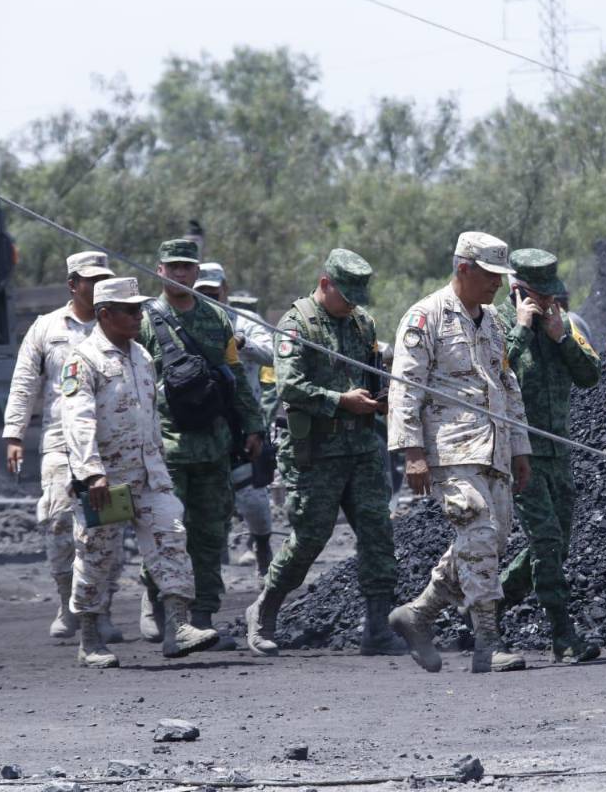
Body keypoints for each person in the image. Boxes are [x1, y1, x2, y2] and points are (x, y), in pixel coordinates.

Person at [244, 249, 406, 658]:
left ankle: (376, 627)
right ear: (324, 284)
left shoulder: (361, 323)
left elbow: (371, 372)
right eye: (345, 294)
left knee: (378, 535)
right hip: (317, 451)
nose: (351, 303)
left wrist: (381, 397)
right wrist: (340, 400)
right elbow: (290, 386)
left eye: (356, 296)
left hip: (364, 447)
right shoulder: (296, 324)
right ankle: (263, 611)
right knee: (309, 539)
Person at [386, 232, 533, 674]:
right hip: (450, 450)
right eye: (490, 276)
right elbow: (405, 388)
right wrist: (412, 452)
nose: (496, 285)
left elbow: (508, 386)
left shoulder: (492, 321)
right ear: (464, 269)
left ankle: (419, 614)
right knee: (481, 534)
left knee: (490, 537)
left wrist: (521, 448)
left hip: (496, 448)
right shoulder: (425, 316)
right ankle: (487, 642)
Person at [60, 277, 220, 667]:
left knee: (171, 538)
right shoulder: (84, 360)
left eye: (139, 309)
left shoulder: (141, 357)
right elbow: (77, 420)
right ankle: (90, 638)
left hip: (149, 475)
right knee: (99, 555)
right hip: (106, 482)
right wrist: (91, 473)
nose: (138, 316)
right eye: (130, 310)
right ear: (104, 314)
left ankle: (178, 627)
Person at [136, 240, 265, 644]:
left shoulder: (217, 319)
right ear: (160, 270)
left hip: (213, 445)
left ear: (196, 272)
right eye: (172, 267)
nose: (180, 274)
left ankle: (204, 615)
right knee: (168, 532)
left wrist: (253, 425)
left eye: (186, 267)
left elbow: (234, 376)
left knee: (211, 533)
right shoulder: (143, 319)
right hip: (165, 448)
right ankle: (155, 604)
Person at [3, 251, 122, 642]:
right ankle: (65, 602)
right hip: (59, 441)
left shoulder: (117, 324)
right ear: (73, 284)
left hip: (109, 442)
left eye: (103, 278)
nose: (97, 285)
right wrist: (15, 434)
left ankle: (100, 609)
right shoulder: (46, 327)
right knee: (57, 522)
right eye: (89, 279)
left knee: (105, 527)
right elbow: (25, 383)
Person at [493, 249, 602, 663]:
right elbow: (498, 377)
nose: (548, 302)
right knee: (547, 540)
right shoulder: (498, 326)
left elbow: (591, 375)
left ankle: (493, 603)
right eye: (540, 295)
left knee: (556, 546)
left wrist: (560, 337)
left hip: (560, 453)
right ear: (519, 291)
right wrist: (522, 330)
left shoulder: (563, 324)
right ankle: (562, 634)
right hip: (521, 454)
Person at [193, 264, 275, 576]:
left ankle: (262, 544)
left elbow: (273, 354)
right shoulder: (183, 323)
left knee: (254, 500)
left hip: (244, 424)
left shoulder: (247, 322)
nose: (210, 299)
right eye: (202, 294)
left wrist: (243, 343)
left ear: (225, 290)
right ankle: (210, 571)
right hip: (201, 424)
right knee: (204, 502)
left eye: (214, 293)